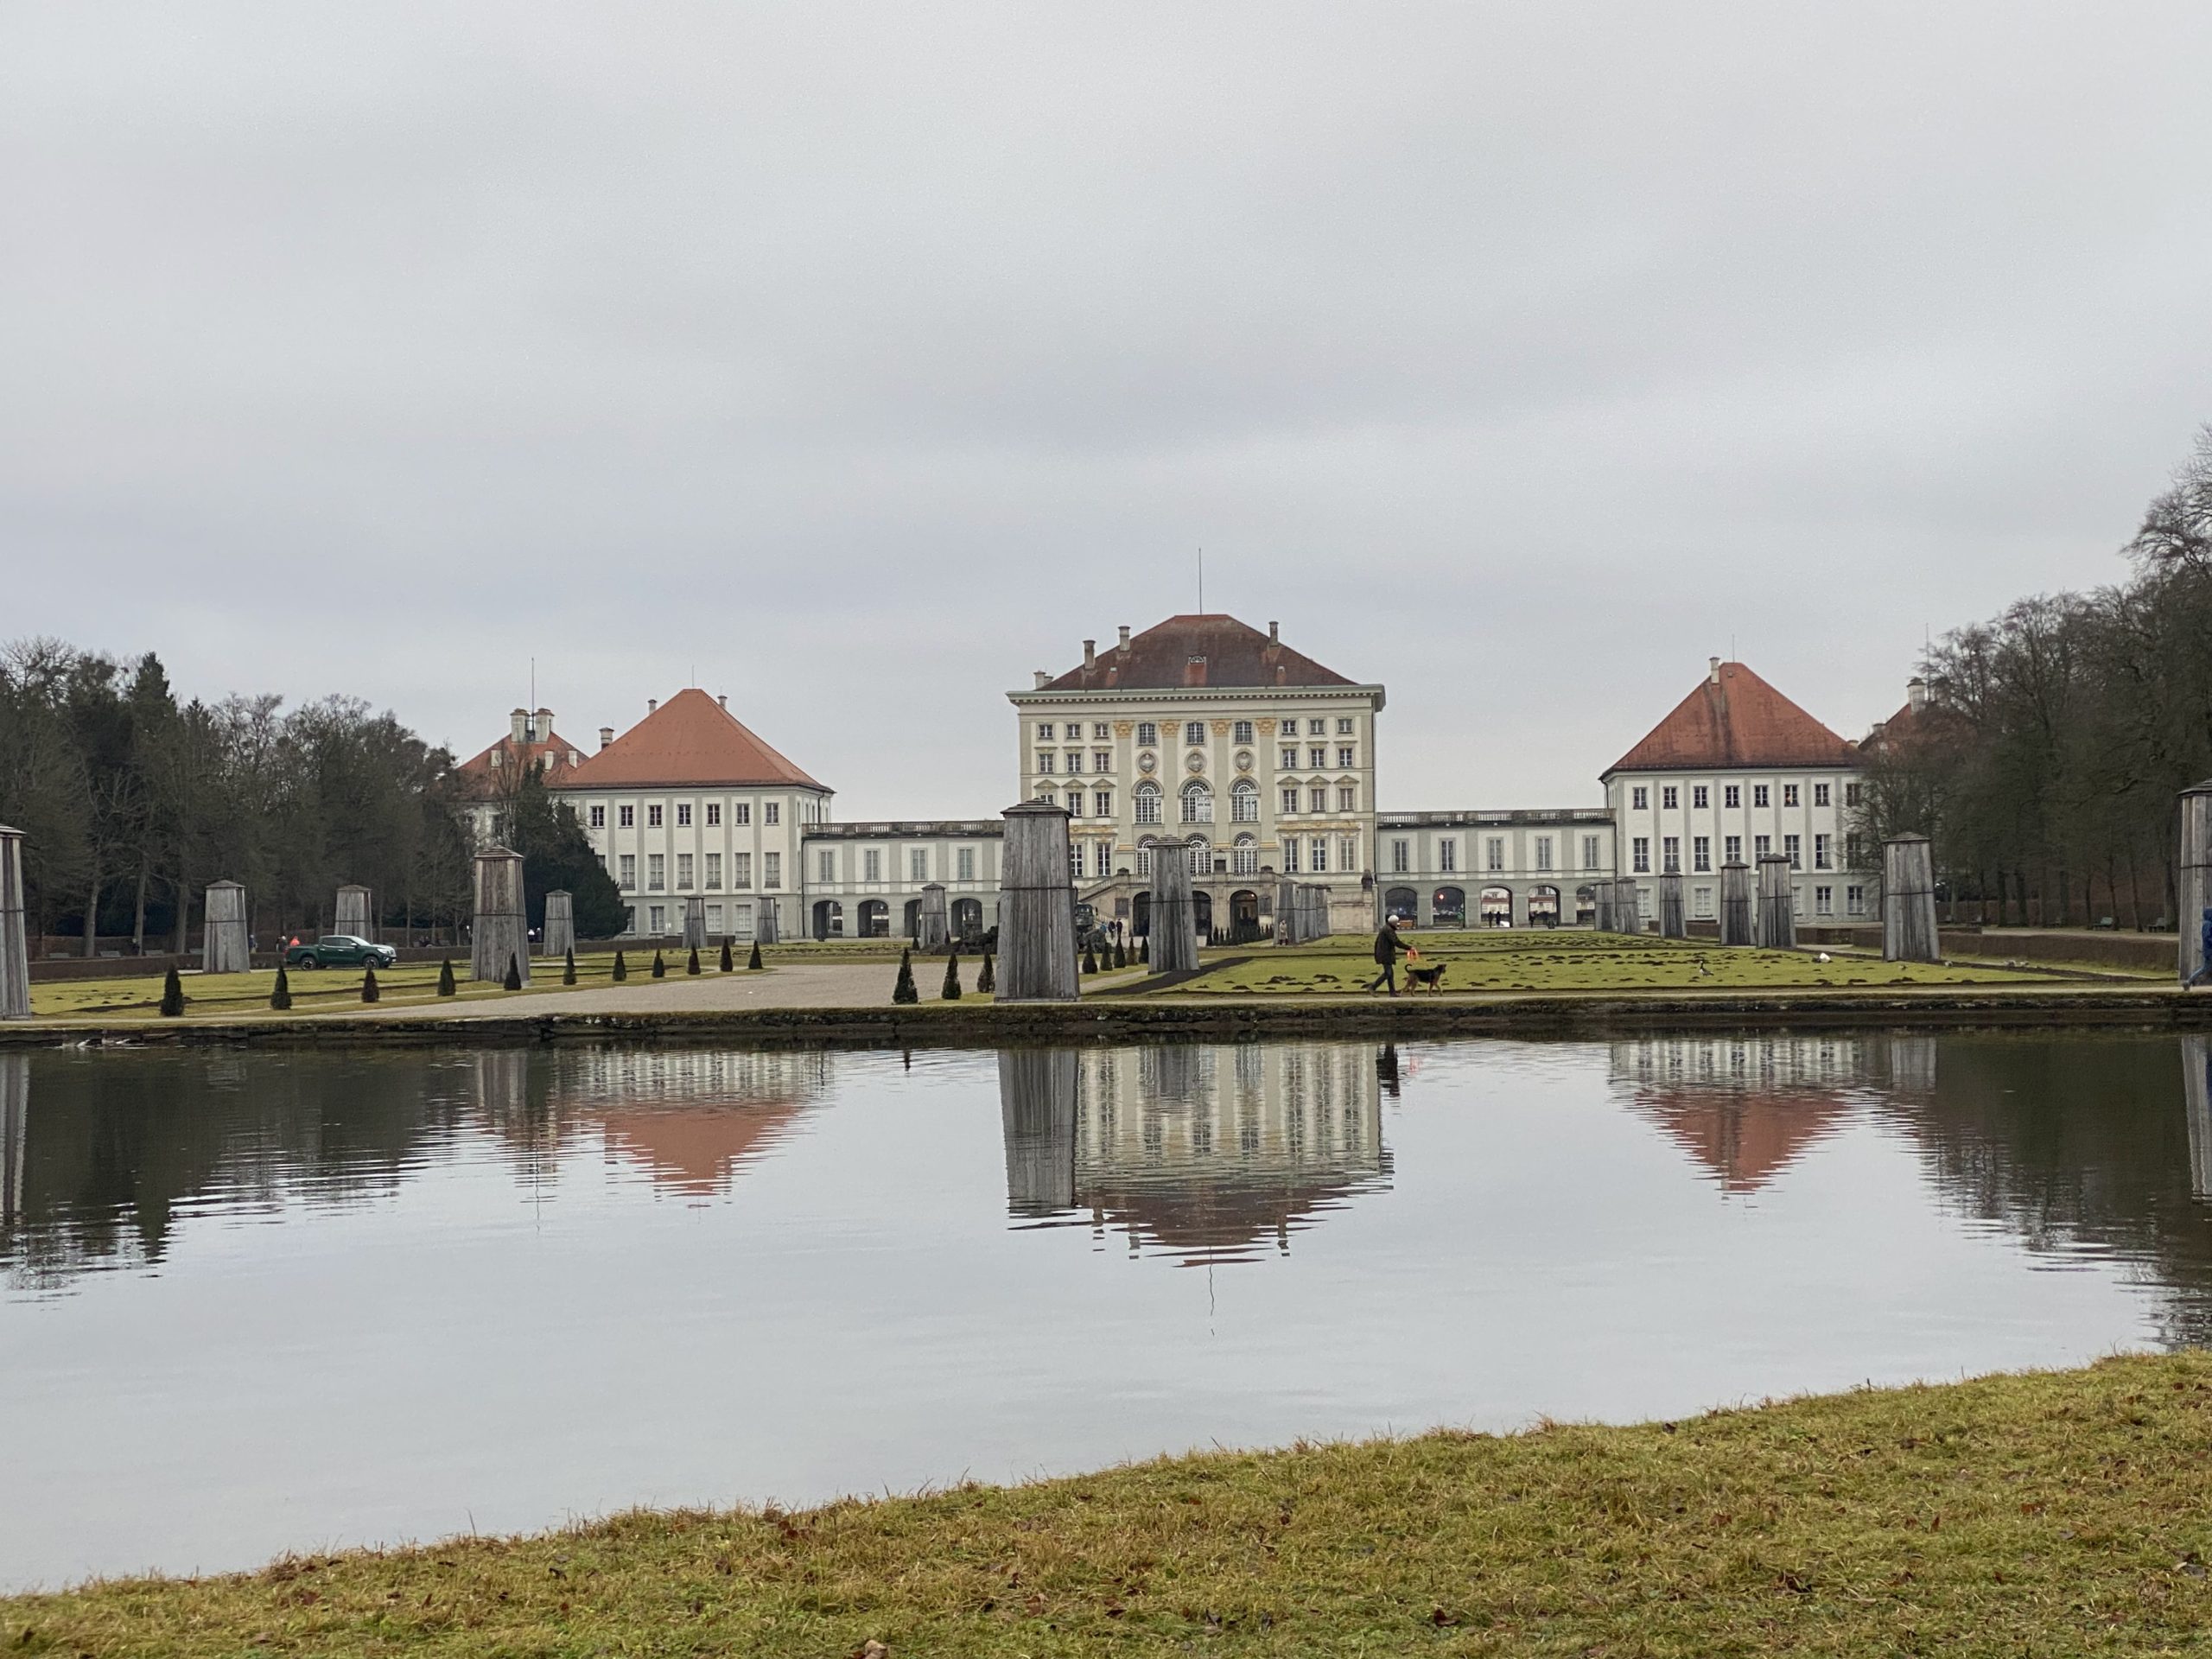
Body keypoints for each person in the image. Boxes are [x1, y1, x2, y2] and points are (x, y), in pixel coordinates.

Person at [1367, 917, 1415, 995]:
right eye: (1397, 923)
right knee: (1388, 973)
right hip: (1385, 954)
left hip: (1384, 954)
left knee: (1390, 974)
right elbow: (1396, 942)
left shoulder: (1386, 928)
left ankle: (1392, 993)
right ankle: (1372, 987)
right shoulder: (1388, 930)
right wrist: (1409, 948)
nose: (1398, 924)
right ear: (1394, 923)